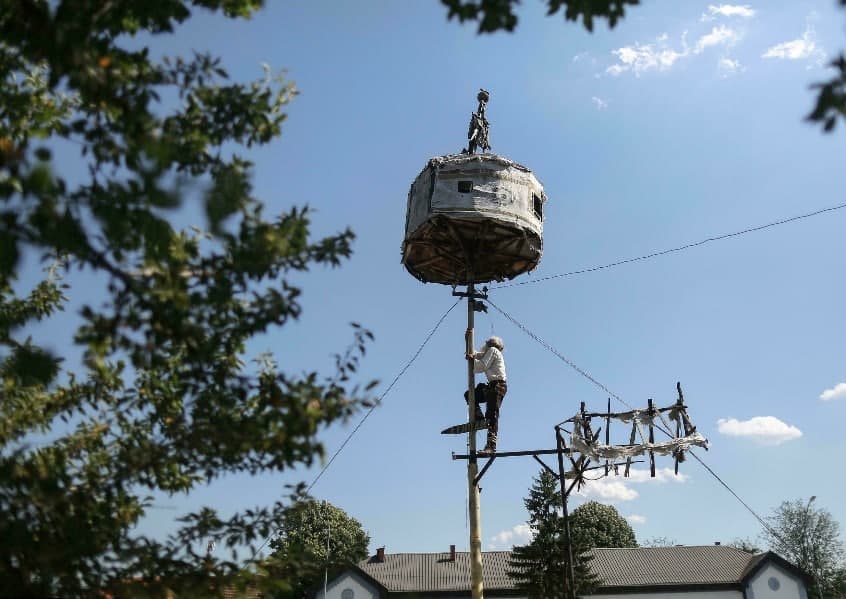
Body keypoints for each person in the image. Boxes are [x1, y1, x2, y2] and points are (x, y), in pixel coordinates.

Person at [464, 336, 507, 454]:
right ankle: (479, 418)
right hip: (492, 386)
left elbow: (480, 367)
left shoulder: (493, 351)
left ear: (489, 344)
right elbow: (478, 354)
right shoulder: (489, 352)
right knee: (470, 395)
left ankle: (491, 447)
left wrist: (472, 359)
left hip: (497, 386)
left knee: (492, 414)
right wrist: (468, 340)